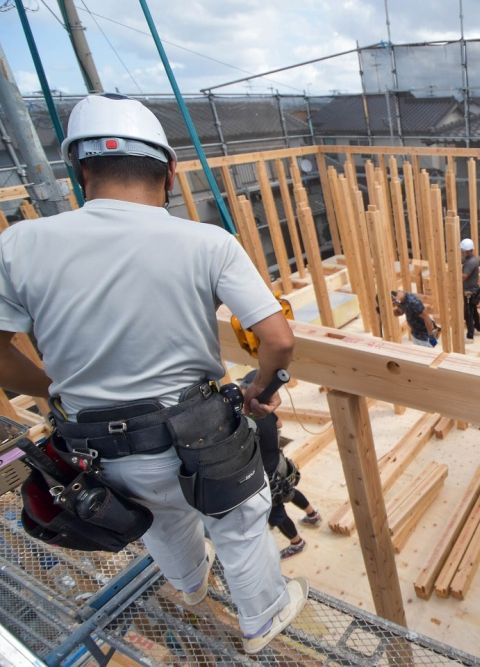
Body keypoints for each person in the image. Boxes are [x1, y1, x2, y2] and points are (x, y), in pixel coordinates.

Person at [0, 94, 308, 654]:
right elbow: (279, 339)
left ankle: (190, 587)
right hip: (198, 429)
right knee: (238, 522)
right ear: (169, 172)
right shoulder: (205, 241)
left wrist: (54, 390)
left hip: (93, 440)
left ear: (82, 170)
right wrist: (260, 388)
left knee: (158, 520)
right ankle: (263, 619)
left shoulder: (20, 242)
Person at [240, 371, 321, 560]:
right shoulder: (268, 413)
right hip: (279, 464)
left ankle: (296, 543)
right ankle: (312, 515)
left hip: (267, 475)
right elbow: (279, 424)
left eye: (244, 388)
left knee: (276, 514)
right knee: (290, 491)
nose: (243, 391)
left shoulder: (247, 423)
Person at [460, 238, 480, 340]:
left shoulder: (470, 262)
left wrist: (453, 274)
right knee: (473, 310)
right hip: (473, 290)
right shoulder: (471, 259)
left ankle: (470, 335)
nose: (461, 252)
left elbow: (464, 276)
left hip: (469, 292)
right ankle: (478, 327)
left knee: (468, 313)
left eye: (462, 250)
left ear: (466, 250)